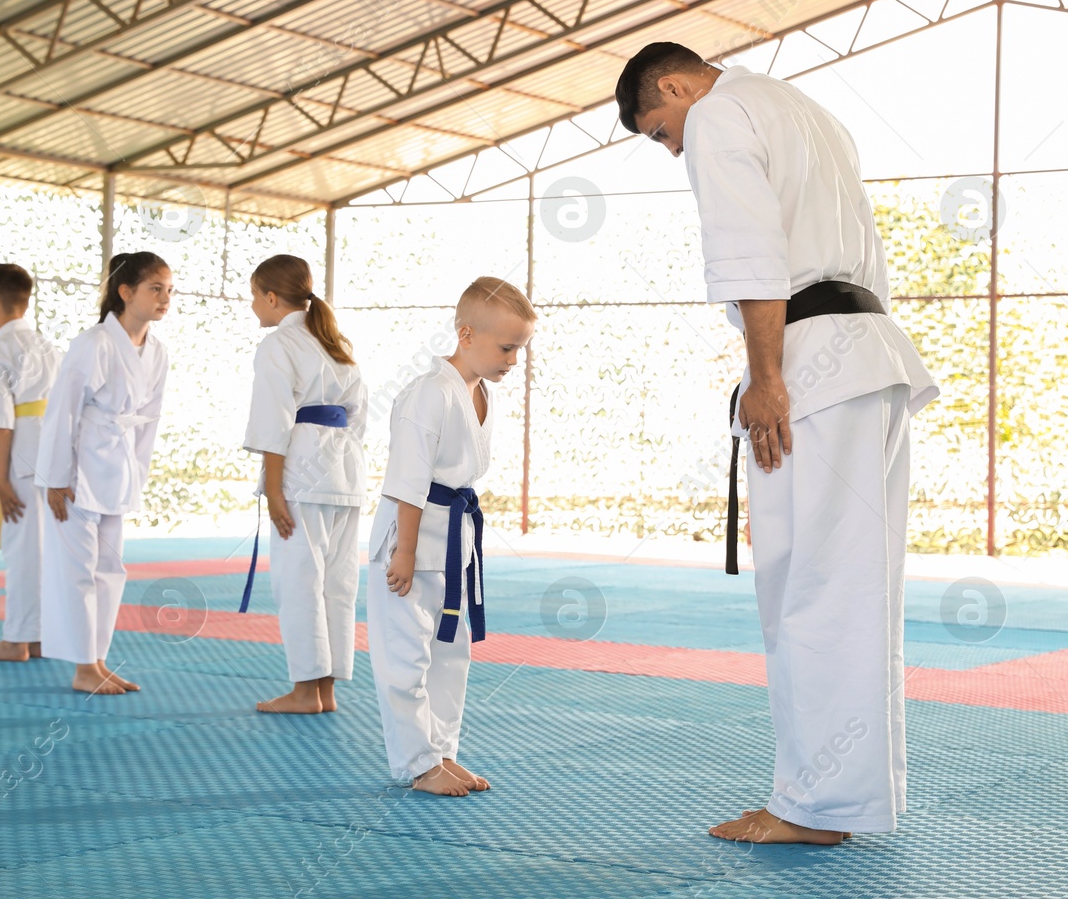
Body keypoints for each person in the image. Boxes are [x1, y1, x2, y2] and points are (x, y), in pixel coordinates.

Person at [615, 41, 939, 844]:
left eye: (660, 129)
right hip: (871, 352)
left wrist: (766, 376)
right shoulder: (810, 113)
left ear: (679, 85)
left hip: (812, 365)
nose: (675, 148)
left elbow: (751, 251)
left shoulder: (721, 114)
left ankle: (814, 806)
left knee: (809, 587)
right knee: (855, 587)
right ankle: (848, 798)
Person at [366, 277, 535, 797]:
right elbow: (408, 482)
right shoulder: (428, 394)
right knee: (406, 656)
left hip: (454, 540)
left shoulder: (479, 391)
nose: (513, 359)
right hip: (411, 539)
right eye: (506, 347)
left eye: (519, 349)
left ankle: (441, 752)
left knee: (450, 650)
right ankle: (417, 763)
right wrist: (406, 552)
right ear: (466, 334)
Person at [35, 252, 171, 696]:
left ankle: (99, 658)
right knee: (77, 570)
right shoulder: (93, 343)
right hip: (77, 470)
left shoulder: (156, 351)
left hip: (119, 469)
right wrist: (56, 477)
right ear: (125, 292)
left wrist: (139, 475)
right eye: (155, 288)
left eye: (169, 290)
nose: (165, 298)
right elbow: (62, 413)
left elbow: (149, 420)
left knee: (111, 568)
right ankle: (82, 666)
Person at [242, 254, 367, 715]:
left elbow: (273, 422)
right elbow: (358, 417)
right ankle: (326, 690)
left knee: (299, 582)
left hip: (301, 475)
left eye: (255, 296)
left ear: (272, 298)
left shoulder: (279, 345)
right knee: (338, 582)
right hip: (345, 472)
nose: (254, 305)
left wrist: (275, 489)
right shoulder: (336, 343)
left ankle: (303, 691)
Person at [0, 264, 61, 663]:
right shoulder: (50, 348)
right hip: (56, 455)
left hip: (22, 455)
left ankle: (16, 640)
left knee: (22, 550)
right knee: (47, 550)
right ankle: (40, 636)